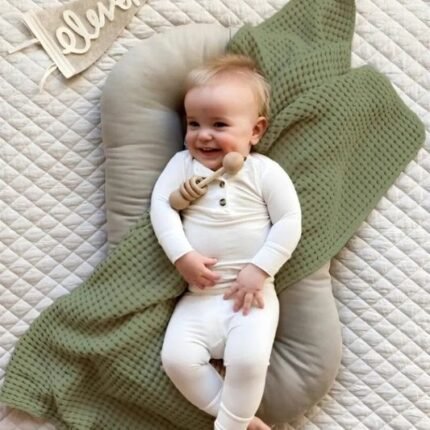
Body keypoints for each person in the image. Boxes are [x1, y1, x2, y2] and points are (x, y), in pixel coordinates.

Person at [150, 54, 302, 430]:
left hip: (250, 296)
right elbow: (162, 207)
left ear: (255, 131)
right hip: (200, 296)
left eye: (219, 124)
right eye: (194, 123)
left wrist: (259, 269)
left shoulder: (263, 172)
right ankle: (241, 421)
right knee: (176, 360)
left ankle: (230, 426)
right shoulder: (182, 166)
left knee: (249, 361)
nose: (203, 135)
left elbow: (289, 222)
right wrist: (182, 255)